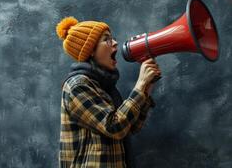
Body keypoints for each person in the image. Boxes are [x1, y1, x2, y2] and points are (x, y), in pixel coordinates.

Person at [56, 16, 161, 168]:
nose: (115, 43)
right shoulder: (77, 85)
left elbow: (130, 127)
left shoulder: (104, 85)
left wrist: (146, 89)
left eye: (113, 38)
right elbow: (114, 127)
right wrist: (140, 84)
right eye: (107, 39)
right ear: (90, 50)